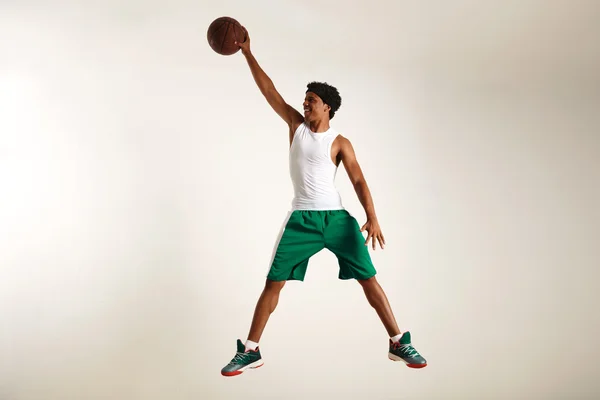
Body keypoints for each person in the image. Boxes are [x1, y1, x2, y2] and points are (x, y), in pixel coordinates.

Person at [220, 32, 427, 377]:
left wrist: (371, 217)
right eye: (304, 100)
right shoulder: (296, 127)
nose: (305, 105)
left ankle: (397, 341)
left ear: (327, 106)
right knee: (273, 283)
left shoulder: (339, 141)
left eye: (311, 100)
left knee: (369, 278)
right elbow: (269, 90)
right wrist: (247, 54)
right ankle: (250, 350)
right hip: (301, 220)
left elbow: (358, 180)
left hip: (337, 221)